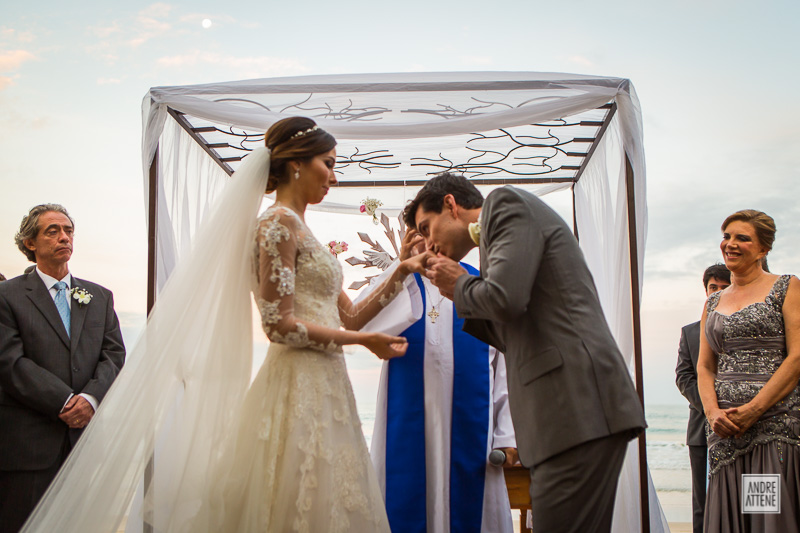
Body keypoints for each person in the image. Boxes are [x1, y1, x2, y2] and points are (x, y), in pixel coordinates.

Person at [403, 173, 646, 533]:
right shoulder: (493, 246)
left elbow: (505, 299)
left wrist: (461, 285)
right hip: (571, 414)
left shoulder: (504, 205)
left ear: (451, 205)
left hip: (575, 408)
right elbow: (514, 331)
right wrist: (459, 290)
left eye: (427, 227)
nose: (428, 242)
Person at [359, 238, 518, 533]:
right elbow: (366, 325)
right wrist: (400, 267)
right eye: (419, 231)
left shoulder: (479, 284)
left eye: (431, 228)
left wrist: (506, 434)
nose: (429, 240)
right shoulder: (399, 284)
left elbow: (504, 367)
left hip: (472, 428)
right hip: (407, 425)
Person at [0, 204, 126, 533]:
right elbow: (9, 362)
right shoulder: (7, 296)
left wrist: (90, 398)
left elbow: (113, 355)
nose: (63, 237)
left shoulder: (99, 296)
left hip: (84, 442)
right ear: (30, 242)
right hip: (27, 446)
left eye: (68, 230)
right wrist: (64, 401)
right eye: (52, 231)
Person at [697, 209, 800, 532]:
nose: (731, 244)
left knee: (761, 516)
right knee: (730, 516)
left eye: (742, 238)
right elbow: (704, 365)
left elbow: (797, 357)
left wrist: (754, 410)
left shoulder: (785, 287)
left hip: (768, 428)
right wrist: (713, 413)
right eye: (727, 236)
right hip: (725, 431)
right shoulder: (713, 303)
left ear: (763, 249)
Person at [675, 263, 730, 533]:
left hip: (750, 425)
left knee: (753, 500)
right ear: (705, 291)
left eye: (724, 287)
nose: (718, 292)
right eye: (713, 288)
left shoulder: (753, 328)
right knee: (703, 502)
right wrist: (711, 408)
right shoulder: (690, 332)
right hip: (701, 431)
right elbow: (683, 376)